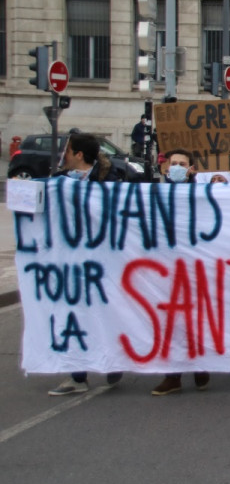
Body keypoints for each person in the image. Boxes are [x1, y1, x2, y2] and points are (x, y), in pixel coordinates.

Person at [47, 132, 127, 396]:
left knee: (104, 314)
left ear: (78, 154)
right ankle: (77, 376)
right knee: (74, 316)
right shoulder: (58, 182)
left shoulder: (109, 178)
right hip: (70, 263)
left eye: (67, 150)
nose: (64, 155)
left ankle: (112, 359)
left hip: (103, 262)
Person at [149, 149, 214, 395]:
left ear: (191, 169)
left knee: (193, 319)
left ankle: (199, 364)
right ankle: (173, 375)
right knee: (170, 321)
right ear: (166, 168)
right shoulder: (153, 193)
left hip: (196, 267)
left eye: (182, 164)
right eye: (173, 163)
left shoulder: (202, 195)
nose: (176, 167)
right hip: (164, 268)